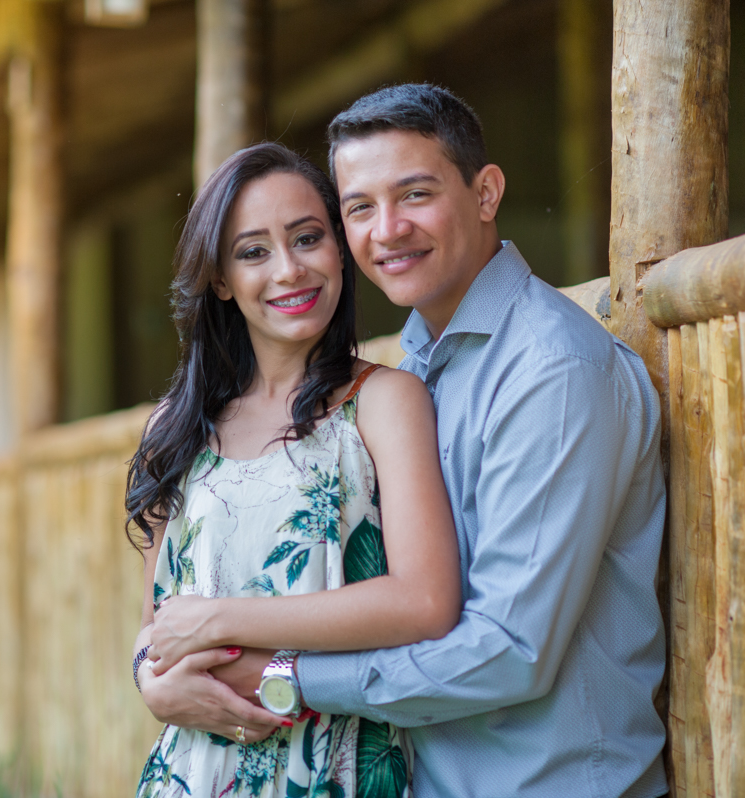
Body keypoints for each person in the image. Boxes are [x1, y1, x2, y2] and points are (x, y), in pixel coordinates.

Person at [139, 84, 669, 798]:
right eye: (360, 207)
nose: (387, 230)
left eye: (414, 194)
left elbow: (509, 651)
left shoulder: (552, 370)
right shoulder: (419, 361)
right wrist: (156, 677)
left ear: (486, 193)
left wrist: (283, 680)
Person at [127, 142, 462, 798]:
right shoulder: (176, 425)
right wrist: (150, 683)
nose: (289, 269)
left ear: (339, 250)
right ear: (220, 278)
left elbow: (424, 602)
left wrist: (221, 620)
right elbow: (156, 628)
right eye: (253, 251)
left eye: (307, 238)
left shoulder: (385, 403)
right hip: (191, 775)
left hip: (333, 769)